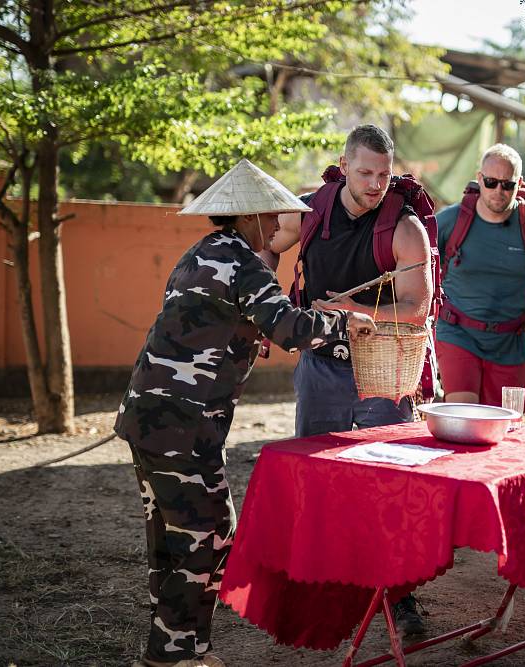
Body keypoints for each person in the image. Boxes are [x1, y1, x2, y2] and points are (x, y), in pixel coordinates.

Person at [115, 159, 375, 667]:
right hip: (180, 426)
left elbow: (212, 323)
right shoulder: (243, 262)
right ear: (250, 216)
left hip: (151, 417)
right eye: (274, 215)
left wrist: (245, 336)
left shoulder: (202, 253)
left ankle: (182, 649)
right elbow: (292, 330)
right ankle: (171, 654)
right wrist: (344, 322)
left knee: (179, 540)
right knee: (206, 537)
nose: (281, 224)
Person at [263, 124, 432, 634]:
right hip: (320, 366)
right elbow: (267, 243)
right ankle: (316, 583)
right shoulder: (312, 209)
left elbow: (417, 307)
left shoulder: (403, 229)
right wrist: (264, 292)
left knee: (390, 485)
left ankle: (399, 597)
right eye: (365, 172)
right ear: (345, 164)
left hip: (381, 369)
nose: (376, 182)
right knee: (313, 477)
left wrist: (354, 307)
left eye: (383, 173)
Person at [436, 144, 525, 409]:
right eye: (491, 182)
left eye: (507, 184)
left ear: (518, 184)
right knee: (463, 414)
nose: (498, 191)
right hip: (457, 332)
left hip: (510, 341)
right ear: (480, 179)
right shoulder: (453, 220)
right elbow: (416, 257)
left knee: (505, 426)